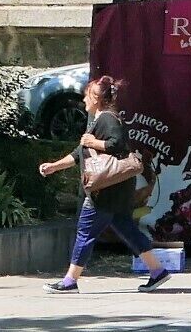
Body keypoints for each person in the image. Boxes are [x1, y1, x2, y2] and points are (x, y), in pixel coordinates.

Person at [41, 74, 169, 292]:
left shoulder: (107, 119)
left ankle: (70, 280)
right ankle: (158, 271)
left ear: (96, 97)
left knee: (85, 232)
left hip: (105, 190)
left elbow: (117, 144)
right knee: (127, 229)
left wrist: (94, 141)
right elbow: (79, 154)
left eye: (86, 96)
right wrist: (54, 166)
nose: (84, 101)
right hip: (117, 189)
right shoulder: (99, 119)